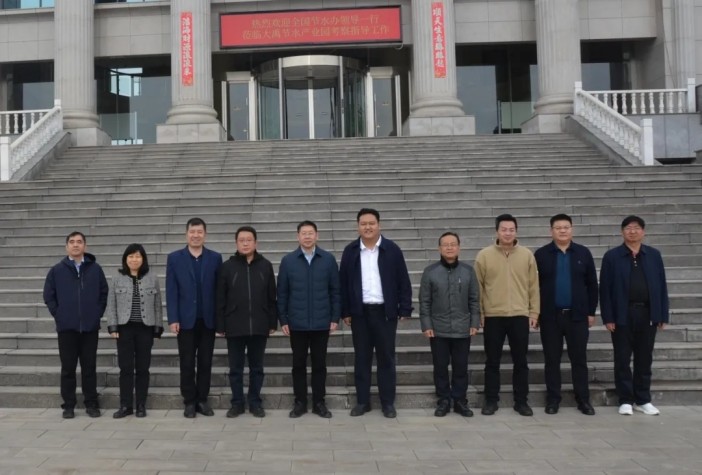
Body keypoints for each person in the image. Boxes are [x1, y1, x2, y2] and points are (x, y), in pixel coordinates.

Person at [339, 208, 412, 418]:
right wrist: (346, 311)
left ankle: (387, 402)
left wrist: (404, 307)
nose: (368, 227)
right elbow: (343, 283)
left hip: (385, 313)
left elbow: (403, 280)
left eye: (371, 223)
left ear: (379, 225)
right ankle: (363, 402)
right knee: (361, 358)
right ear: (358, 227)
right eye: (363, 224)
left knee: (386, 358)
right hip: (360, 313)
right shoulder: (350, 250)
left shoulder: (392, 249)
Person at [600, 215, 669, 416]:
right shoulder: (612, 257)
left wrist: (662, 314)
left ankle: (643, 399)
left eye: (636, 228)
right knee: (622, 358)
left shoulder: (653, 255)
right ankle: (625, 400)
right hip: (622, 314)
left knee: (644, 358)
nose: (632, 231)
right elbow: (605, 290)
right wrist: (608, 317)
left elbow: (662, 286)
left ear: (643, 231)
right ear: (622, 232)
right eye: (628, 228)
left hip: (647, 313)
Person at [474, 214, 539, 417]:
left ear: (516, 231)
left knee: (521, 361)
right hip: (493, 315)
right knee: (492, 361)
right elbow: (477, 288)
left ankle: (521, 402)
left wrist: (534, 311)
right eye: (504, 229)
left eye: (511, 230)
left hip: (519, 314)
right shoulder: (484, 255)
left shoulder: (526, 255)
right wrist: (480, 313)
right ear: (497, 231)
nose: (508, 233)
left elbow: (533, 286)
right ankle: (491, 400)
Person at [534, 214, 598, 416]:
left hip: (577, 316)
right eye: (558, 227)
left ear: (572, 229)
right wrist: (535, 312)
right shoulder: (541, 254)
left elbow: (592, 284)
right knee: (552, 360)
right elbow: (533, 286)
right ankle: (553, 399)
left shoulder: (583, 253)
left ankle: (583, 400)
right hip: (550, 317)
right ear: (551, 231)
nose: (562, 230)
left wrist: (591, 312)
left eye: (566, 227)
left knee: (579, 359)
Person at [277, 220, 341, 419]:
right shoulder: (288, 261)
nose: (307, 236)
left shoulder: (328, 260)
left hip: (321, 322)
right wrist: (283, 319)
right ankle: (300, 402)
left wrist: (335, 317)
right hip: (297, 323)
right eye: (303, 233)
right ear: (298, 237)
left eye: (310, 233)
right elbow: (282, 293)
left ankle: (319, 403)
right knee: (298, 365)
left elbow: (335, 291)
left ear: (317, 235)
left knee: (319, 365)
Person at [43, 231, 108, 419]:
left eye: (79, 241)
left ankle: (91, 403)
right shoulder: (57, 270)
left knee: (89, 368)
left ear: (85, 246)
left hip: (89, 328)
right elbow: (49, 295)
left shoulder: (95, 269)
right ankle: (69, 405)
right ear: (67, 247)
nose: (76, 245)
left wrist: (97, 313)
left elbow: (103, 293)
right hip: (67, 329)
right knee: (68, 368)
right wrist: (59, 315)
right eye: (72, 242)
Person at [216, 225, 277, 418]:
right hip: (234, 324)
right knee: (235, 368)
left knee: (257, 368)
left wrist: (272, 322)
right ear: (236, 243)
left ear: (255, 242)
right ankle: (237, 403)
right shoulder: (227, 266)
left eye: (249, 240)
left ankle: (255, 402)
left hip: (259, 324)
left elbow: (272, 296)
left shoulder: (265, 265)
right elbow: (220, 298)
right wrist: (220, 324)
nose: (245, 243)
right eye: (241, 240)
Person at [166, 217, 222, 418]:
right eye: (192, 232)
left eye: (199, 232)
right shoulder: (175, 258)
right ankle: (189, 401)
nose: (196, 235)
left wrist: (220, 320)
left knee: (206, 362)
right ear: (186, 234)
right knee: (187, 362)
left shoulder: (215, 258)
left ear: (205, 234)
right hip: (185, 320)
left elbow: (219, 291)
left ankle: (202, 400)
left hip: (208, 320)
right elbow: (171, 290)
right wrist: (173, 318)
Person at [419, 232, 480, 417]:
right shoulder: (430, 272)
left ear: (459, 247)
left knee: (461, 366)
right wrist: (426, 324)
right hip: (438, 329)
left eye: (453, 244)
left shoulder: (468, 271)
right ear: (439, 248)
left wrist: (474, 322)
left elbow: (474, 299)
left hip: (462, 328)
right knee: (440, 366)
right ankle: (444, 400)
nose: (449, 247)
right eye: (445, 244)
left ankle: (460, 400)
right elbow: (425, 301)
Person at [106, 244, 164, 419]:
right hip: (125, 329)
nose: (134, 259)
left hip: (145, 329)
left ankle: (140, 405)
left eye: (138, 256)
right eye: (130, 256)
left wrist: (157, 327)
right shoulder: (117, 278)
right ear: (125, 259)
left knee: (143, 368)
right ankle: (125, 405)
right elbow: (111, 304)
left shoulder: (152, 278)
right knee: (125, 368)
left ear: (143, 259)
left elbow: (157, 304)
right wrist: (113, 327)